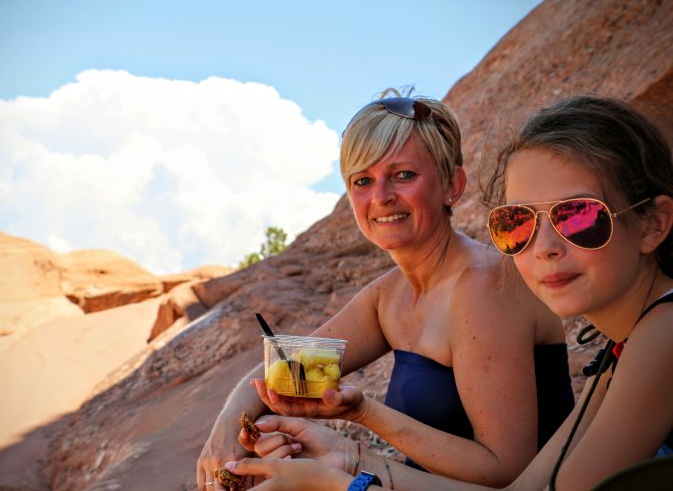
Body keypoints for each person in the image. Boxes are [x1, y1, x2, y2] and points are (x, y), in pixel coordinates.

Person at [223, 95, 673, 490]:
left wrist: (347, 476)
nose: (546, 248)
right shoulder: (624, 347)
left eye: (578, 217)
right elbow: (285, 369)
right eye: (518, 224)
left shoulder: (660, 335)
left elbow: (506, 473)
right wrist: (233, 437)